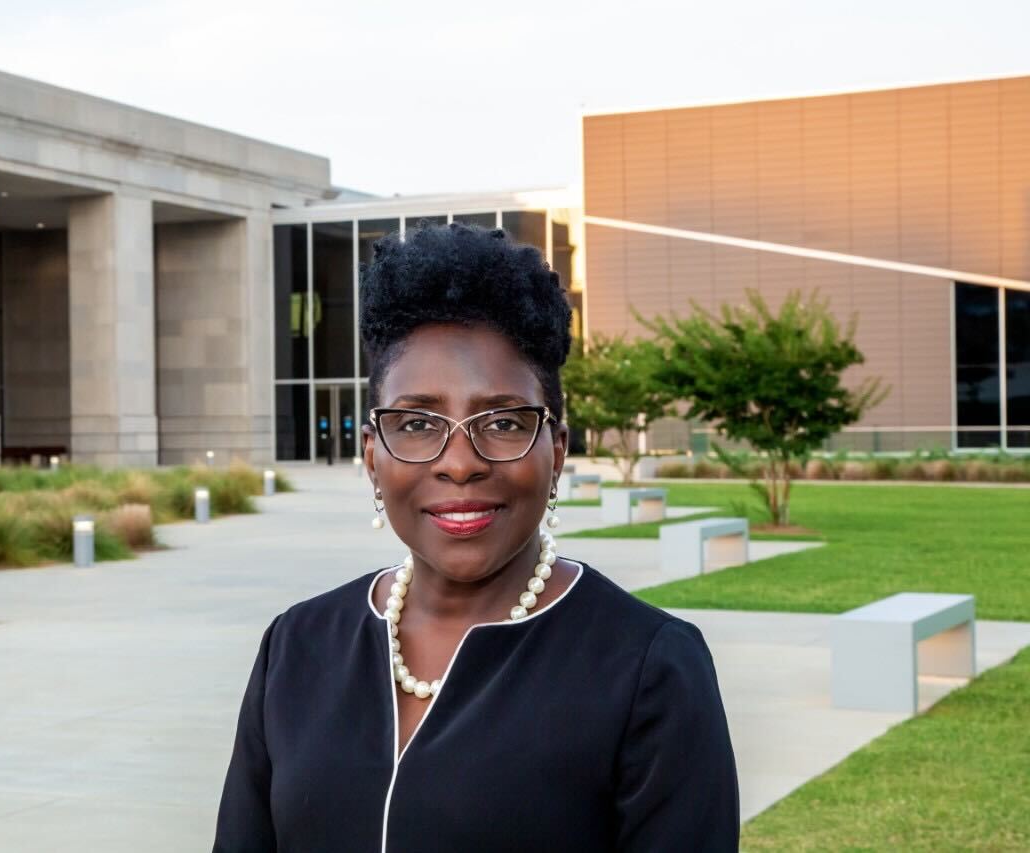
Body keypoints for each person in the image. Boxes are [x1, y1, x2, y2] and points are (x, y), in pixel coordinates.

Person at [214, 222, 738, 852]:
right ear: (372, 455)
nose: (460, 462)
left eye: (504, 421)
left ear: (558, 452)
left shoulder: (648, 669)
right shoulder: (296, 648)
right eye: (415, 422)